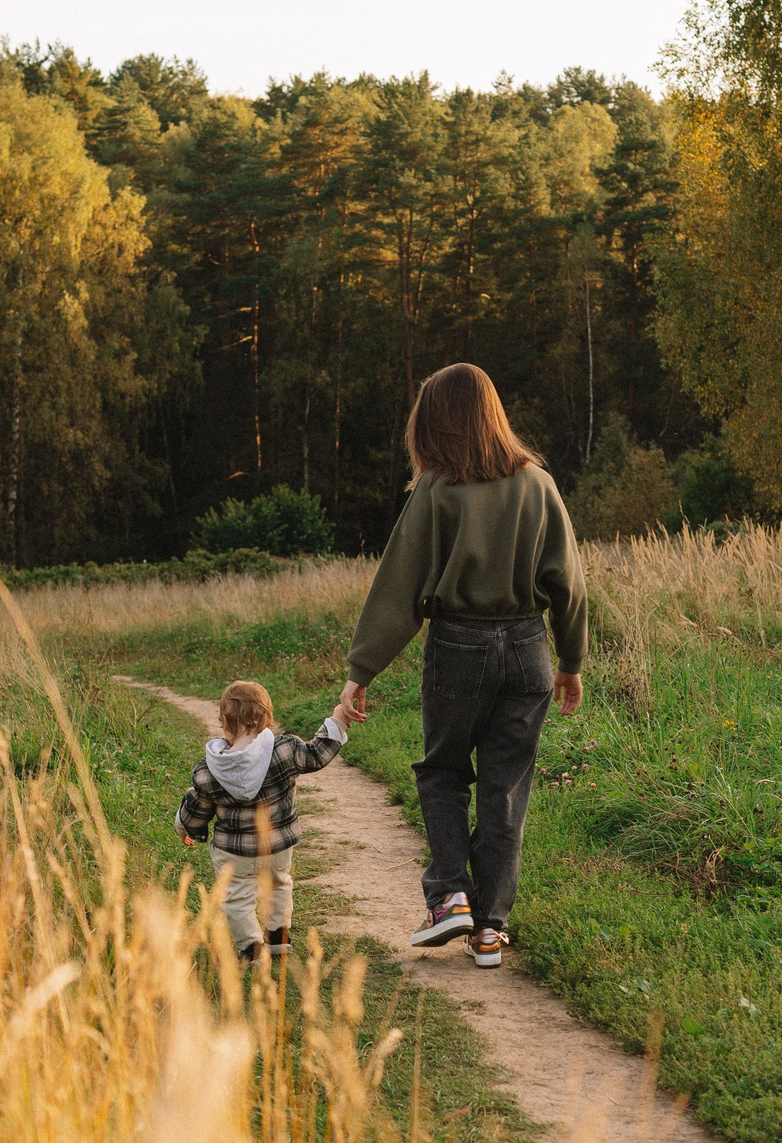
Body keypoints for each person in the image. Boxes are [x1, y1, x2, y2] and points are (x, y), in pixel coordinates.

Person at [340, 363, 585, 969]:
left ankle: (451, 897)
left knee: (442, 770)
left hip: (459, 647)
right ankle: (491, 930)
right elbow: (570, 584)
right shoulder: (539, 484)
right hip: (530, 650)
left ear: (437, 423)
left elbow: (399, 587)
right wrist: (571, 661)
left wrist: (360, 672)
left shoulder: (437, 490)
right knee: (506, 787)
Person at [175, 680, 357, 963]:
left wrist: (189, 828)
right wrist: (337, 721)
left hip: (235, 852)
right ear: (268, 718)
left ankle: (251, 948)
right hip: (278, 846)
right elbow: (317, 755)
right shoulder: (285, 751)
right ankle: (278, 939)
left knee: (237, 898)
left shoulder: (209, 770)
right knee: (279, 885)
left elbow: (199, 808)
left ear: (224, 721)